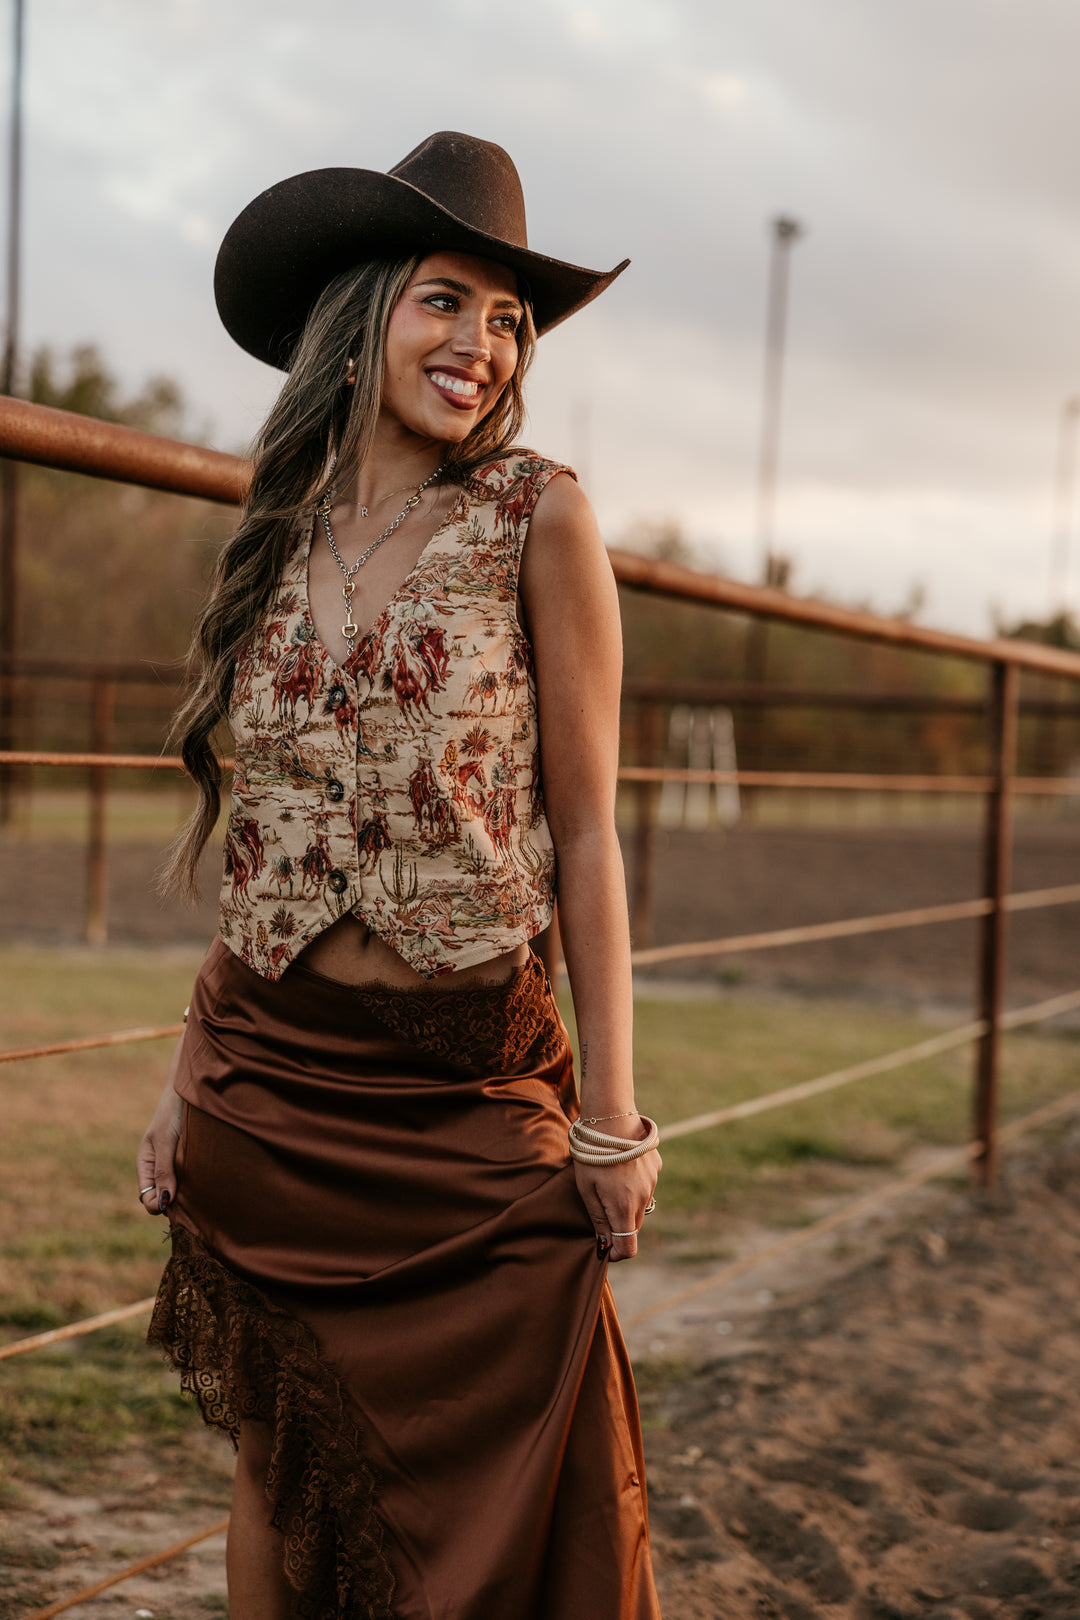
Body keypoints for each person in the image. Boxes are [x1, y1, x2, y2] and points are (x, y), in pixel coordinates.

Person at [137, 131, 663, 1620]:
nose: (482, 347)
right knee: (276, 1456)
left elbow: (588, 832)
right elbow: (261, 843)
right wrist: (182, 1080)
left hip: (465, 1088)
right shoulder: (276, 536)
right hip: (265, 1076)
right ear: (363, 312)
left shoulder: (539, 515)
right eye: (447, 301)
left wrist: (613, 1118)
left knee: (501, 1477)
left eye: (508, 320)